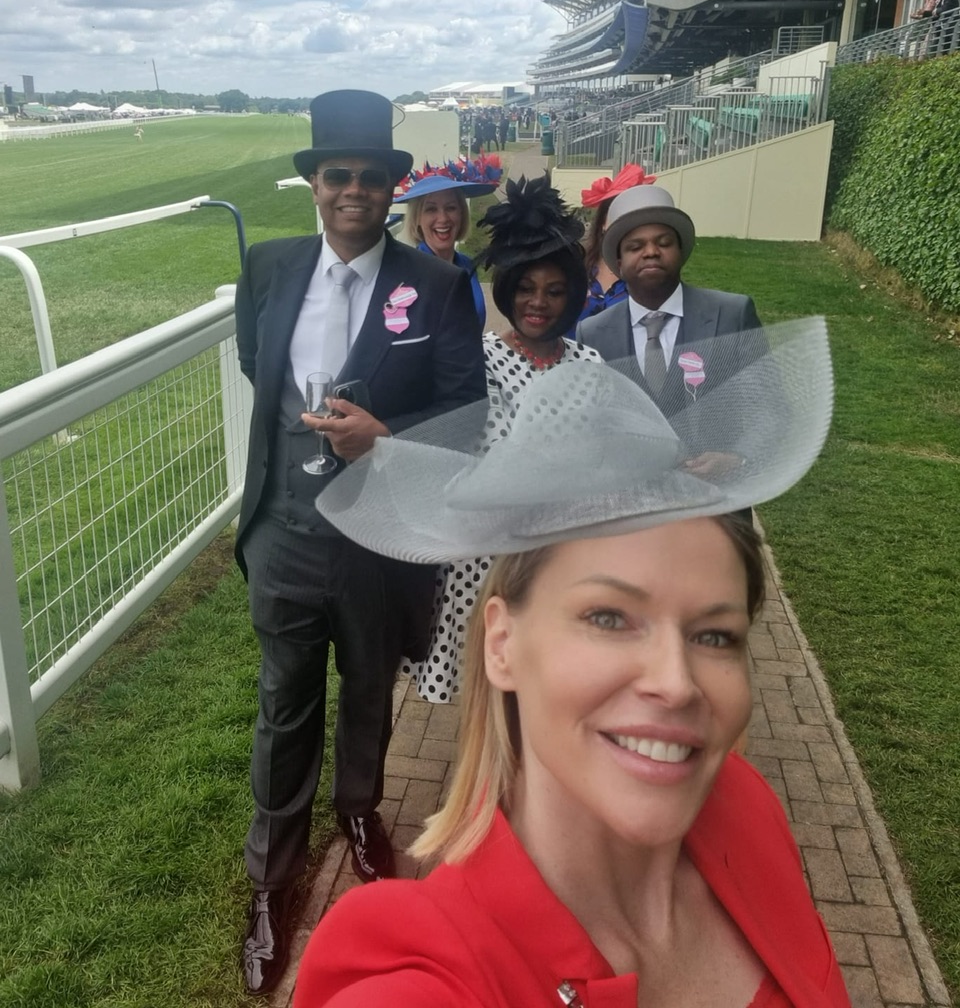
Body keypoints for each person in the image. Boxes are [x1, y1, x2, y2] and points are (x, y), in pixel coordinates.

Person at [294, 320, 849, 1007]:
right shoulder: (426, 971)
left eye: (715, 635)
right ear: (501, 644)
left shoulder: (746, 810)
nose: (676, 683)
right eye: (609, 618)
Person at [233, 89, 486, 995]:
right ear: (314, 184)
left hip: (379, 534)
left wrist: (386, 435)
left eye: (370, 179)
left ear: (392, 189)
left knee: (369, 690)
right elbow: (254, 366)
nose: (353, 191)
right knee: (284, 702)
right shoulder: (266, 269)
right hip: (284, 535)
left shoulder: (440, 285)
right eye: (336, 175)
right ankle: (273, 876)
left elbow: (467, 410)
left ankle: (360, 814)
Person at [405, 175, 602, 703]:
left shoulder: (590, 364)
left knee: (552, 692)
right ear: (509, 292)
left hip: (564, 559)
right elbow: (483, 451)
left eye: (555, 291)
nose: (540, 302)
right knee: (487, 698)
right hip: (487, 562)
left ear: (574, 297)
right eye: (527, 289)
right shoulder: (479, 359)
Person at [578, 186, 761, 477]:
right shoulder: (593, 333)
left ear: (681, 251)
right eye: (635, 247)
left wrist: (738, 460)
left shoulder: (732, 315)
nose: (651, 252)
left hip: (716, 502)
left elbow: (767, 407)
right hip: (634, 505)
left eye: (663, 243)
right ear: (619, 264)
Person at [393, 155, 502, 325]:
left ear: (461, 214)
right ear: (417, 219)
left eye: (451, 208)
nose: (443, 218)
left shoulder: (466, 265)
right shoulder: (407, 275)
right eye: (431, 209)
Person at [579, 164, 656, 322]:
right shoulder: (578, 263)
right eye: (618, 215)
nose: (626, 223)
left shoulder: (651, 267)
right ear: (603, 222)